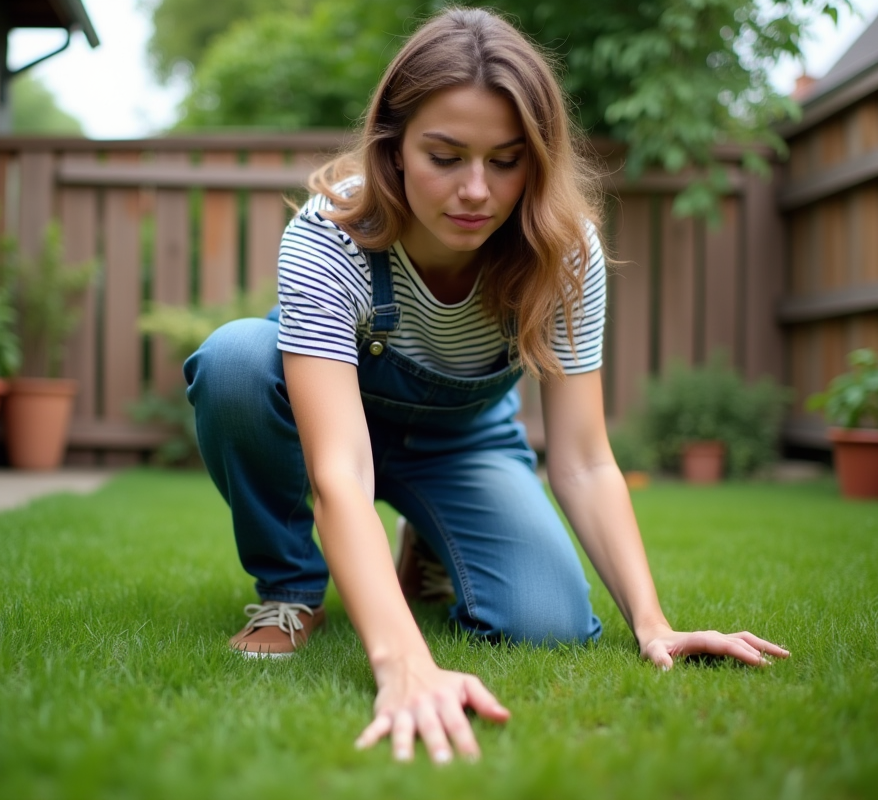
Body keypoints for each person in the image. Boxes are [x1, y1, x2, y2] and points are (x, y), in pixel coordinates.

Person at [183, 6, 789, 764]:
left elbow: (584, 460)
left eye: (506, 161)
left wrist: (652, 622)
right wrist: (404, 667)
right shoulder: (330, 234)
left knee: (548, 624)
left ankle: (429, 543)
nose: (476, 190)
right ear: (393, 147)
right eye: (445, 156)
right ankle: (290, 590)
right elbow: (340, 471)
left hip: (461, 441)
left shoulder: (564, 254)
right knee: (235, 361)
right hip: (331, 428)